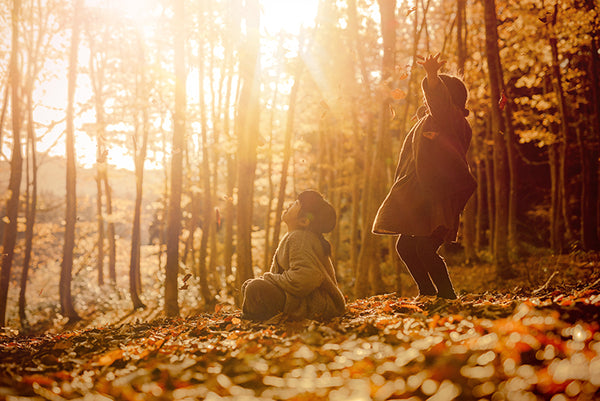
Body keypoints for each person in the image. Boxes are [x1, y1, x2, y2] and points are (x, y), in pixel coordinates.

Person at [372, 53, 476, 300]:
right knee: (405, 246)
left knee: (425, 248)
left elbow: (439, 102)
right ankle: (427, 291)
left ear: (450, 101)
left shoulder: (452, 121)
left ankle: (447, 296)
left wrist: (431, 76)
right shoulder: (430, 122)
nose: (431, 100)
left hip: (439, 199)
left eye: (439, 94)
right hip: (419, 201)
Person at [241, 190, 346, 321]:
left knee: (254, 288)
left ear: (304, 221)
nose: (290, 204)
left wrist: (270, 278)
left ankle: (252, 323)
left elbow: (306, 278)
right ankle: (260, 320)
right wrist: (271, 281)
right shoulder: (296, 236)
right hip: (301, 301)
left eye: (296, 204)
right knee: (249, 285)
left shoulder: (300, 238)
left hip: (315, 305)